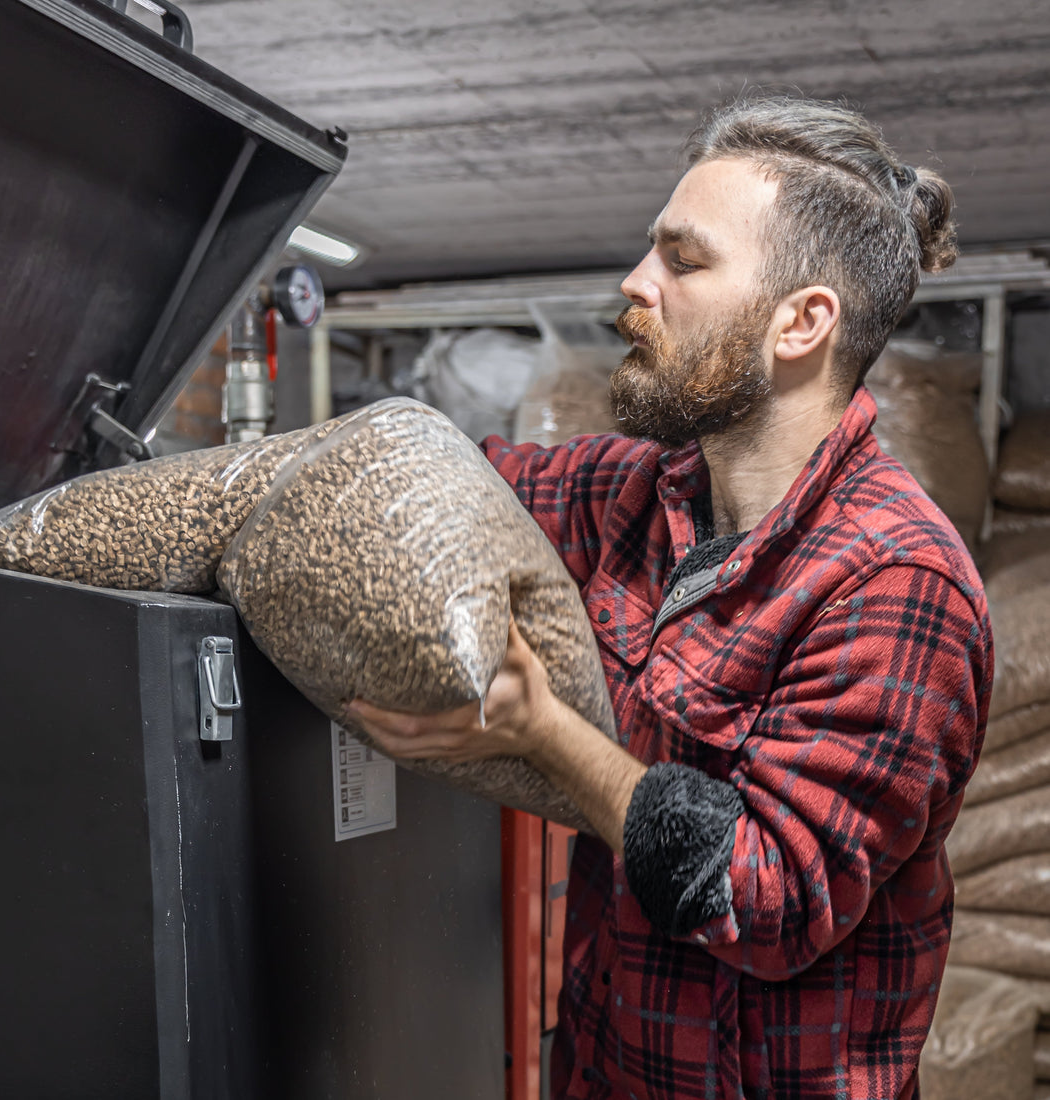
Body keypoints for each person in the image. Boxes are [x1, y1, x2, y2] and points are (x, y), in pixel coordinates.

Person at [348, 94, 993, 1100]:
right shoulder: (638, 492)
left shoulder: (896, 580)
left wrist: (544, 732)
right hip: (604, 1067)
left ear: (801, 322)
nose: (635, 281)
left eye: (682, 261)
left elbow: (766, 894)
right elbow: (447, 484)